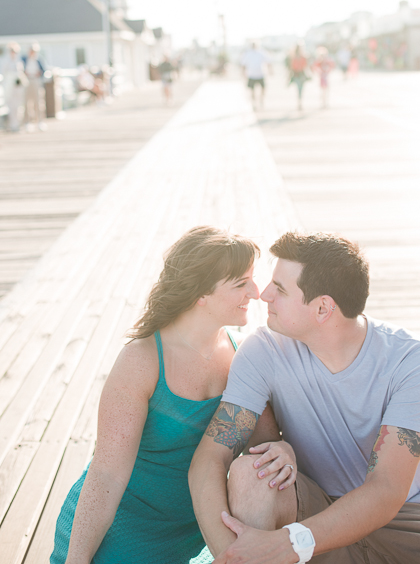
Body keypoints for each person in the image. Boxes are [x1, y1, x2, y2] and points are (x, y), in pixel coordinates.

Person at [189, 232, 420, 563]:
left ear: (323, 308)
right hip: (309, 504)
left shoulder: (413, 362)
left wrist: (289, 544)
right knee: (253, 473)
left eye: (280, 288)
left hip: (399, 520)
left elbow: (386, 489)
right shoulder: (262, 351)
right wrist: (232, 556)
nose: (264, 295)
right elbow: (208, 460)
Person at [50, 226, 292, 563]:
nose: (256, 291)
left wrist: (282, 449)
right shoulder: (142, 359)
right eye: (241, 284)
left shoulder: (243, 356)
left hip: (200, 531)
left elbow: (261, 444)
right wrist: (77, 559)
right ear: (200, 294)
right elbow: (107, 473)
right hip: (123, 526)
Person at [22, 43, 47, 131]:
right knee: (27, 103)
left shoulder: (39, 59)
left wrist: (39, 73)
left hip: (36, 80)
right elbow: (20, 70)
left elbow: (43, 70)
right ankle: (28, 122)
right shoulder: (24, 59)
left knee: (38, 102)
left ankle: (40, 121)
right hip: (27, 81)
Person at [1, 42, 24, 132]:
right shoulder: (5, 60)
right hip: (9, 87)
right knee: (10, 106)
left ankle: (18, 124)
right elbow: (3, 73)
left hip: (18, 87)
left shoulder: (18, 61)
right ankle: (12, 125)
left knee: (18, 106)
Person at [240, 41, 270, 110]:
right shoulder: (247, 53)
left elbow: (268, 61)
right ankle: (254, 103)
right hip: (251, 75)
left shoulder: (261, 52)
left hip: (261, 74)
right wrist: (243, 73)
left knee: (263, 88)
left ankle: (261, 100)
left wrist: (270, 70)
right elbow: (243, 64)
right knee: (252, 91)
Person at [287, 45, 310, 111]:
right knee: (299, 89)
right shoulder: (293, 57)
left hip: (301, 74)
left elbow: (305, 66)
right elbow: (291, 67)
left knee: (300, 89)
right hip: (297, 74)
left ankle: (300, 102)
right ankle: (299, 102)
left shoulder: (303, 57)